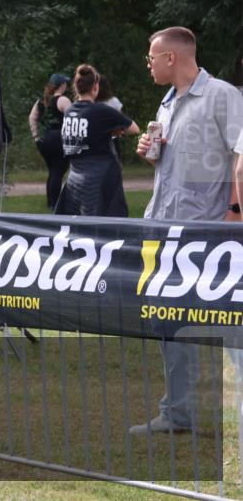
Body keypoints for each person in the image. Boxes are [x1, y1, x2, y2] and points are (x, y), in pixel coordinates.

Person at [131, 26, 243, 436]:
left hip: (211, 238)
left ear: (171, 58)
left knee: (231, 326)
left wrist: (235, 214)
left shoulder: (222, 95)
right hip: (166, 235)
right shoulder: (166, 103)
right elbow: (176, 166)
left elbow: (241, 155)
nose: (148, 63)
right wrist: (149, 153)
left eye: (151, 56)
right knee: (169, 323)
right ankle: (178, 414)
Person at [54, 64, 139, 217]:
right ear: (95, 87)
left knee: (77, 228)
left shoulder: (69, 111)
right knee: (103, 229)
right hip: (97, 178)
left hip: (74, 176)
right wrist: (112, 129)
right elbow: (134, 129)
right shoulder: (101, 110)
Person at [28, 73, 72, 209]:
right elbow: (73, 118)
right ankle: (55, 204)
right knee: (58, 171)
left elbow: (32, 118)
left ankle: (51, 202)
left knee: (53, 171)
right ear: (62, 85)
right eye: (65, 83)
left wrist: (36, 137)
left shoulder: (42, 101)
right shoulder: (63, 100)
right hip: (59, 139)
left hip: (46, 139)